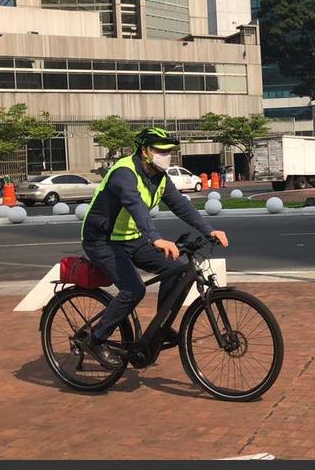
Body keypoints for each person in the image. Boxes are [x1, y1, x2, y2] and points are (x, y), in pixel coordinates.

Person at [78, 127, 229, 369]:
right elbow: (134, 204)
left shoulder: (158, 177)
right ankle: (96, 340)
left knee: (178, 270)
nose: (166, 155)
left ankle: (160, 325)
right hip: (102, 240)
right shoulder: (124, 173)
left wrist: (208, 229)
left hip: (132, 238)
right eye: (161, 150)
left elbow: (181, 205)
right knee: (133, 289)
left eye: (169, 151)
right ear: (145, 151)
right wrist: (156, 238)